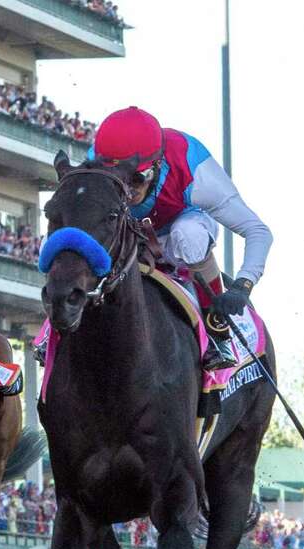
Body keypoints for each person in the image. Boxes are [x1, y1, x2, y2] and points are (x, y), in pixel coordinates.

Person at [90, 106, 273, 371]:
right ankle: (54, 331)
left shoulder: (195, 170)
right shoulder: (96, 162)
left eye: (136, 178)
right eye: (117, 180)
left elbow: (258, 231)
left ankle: (216, 329)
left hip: (183, 227)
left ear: (157, 164)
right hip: (129, 236)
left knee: (188, 235)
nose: (128, 191)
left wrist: (242, 286)